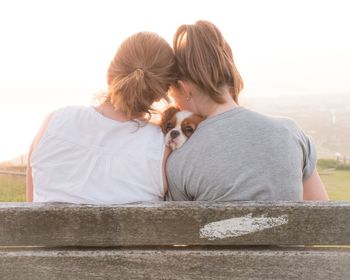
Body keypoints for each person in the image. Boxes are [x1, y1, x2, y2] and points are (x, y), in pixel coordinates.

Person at [166, 20, 329, 201]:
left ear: (185, 89)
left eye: (173, 95)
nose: (177, 104)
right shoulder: (290, 132)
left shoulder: (180, 160)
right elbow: (323, 214)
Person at [26, 31, 176, 204]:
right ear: (161, 93)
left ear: (109, 75)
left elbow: (30, 206)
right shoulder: (162, 147)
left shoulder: (53, 122)